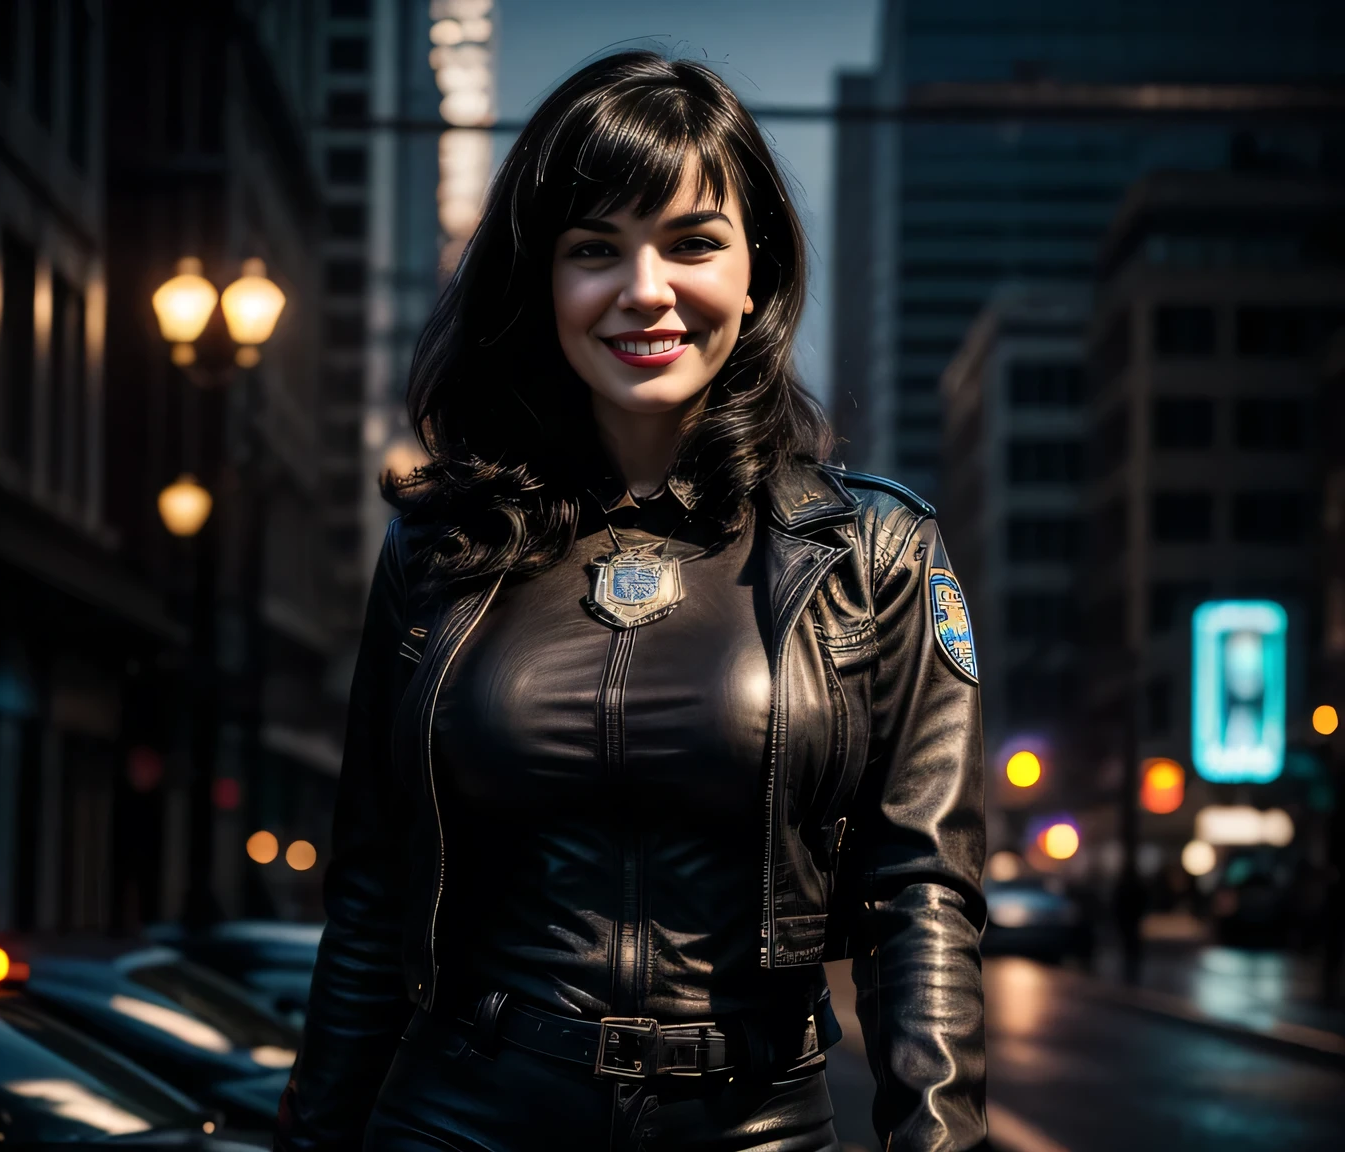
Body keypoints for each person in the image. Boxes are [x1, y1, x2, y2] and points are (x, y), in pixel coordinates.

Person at [276, 51, 987, 1152]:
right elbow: (371, 900)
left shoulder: (877, 550)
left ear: (757, 272)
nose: (644, 290)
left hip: (755, 1125)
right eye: (594, 249)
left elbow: (922, 898)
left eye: (693, 242)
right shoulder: (439, 544)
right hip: (459, 1117)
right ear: (541, 284)